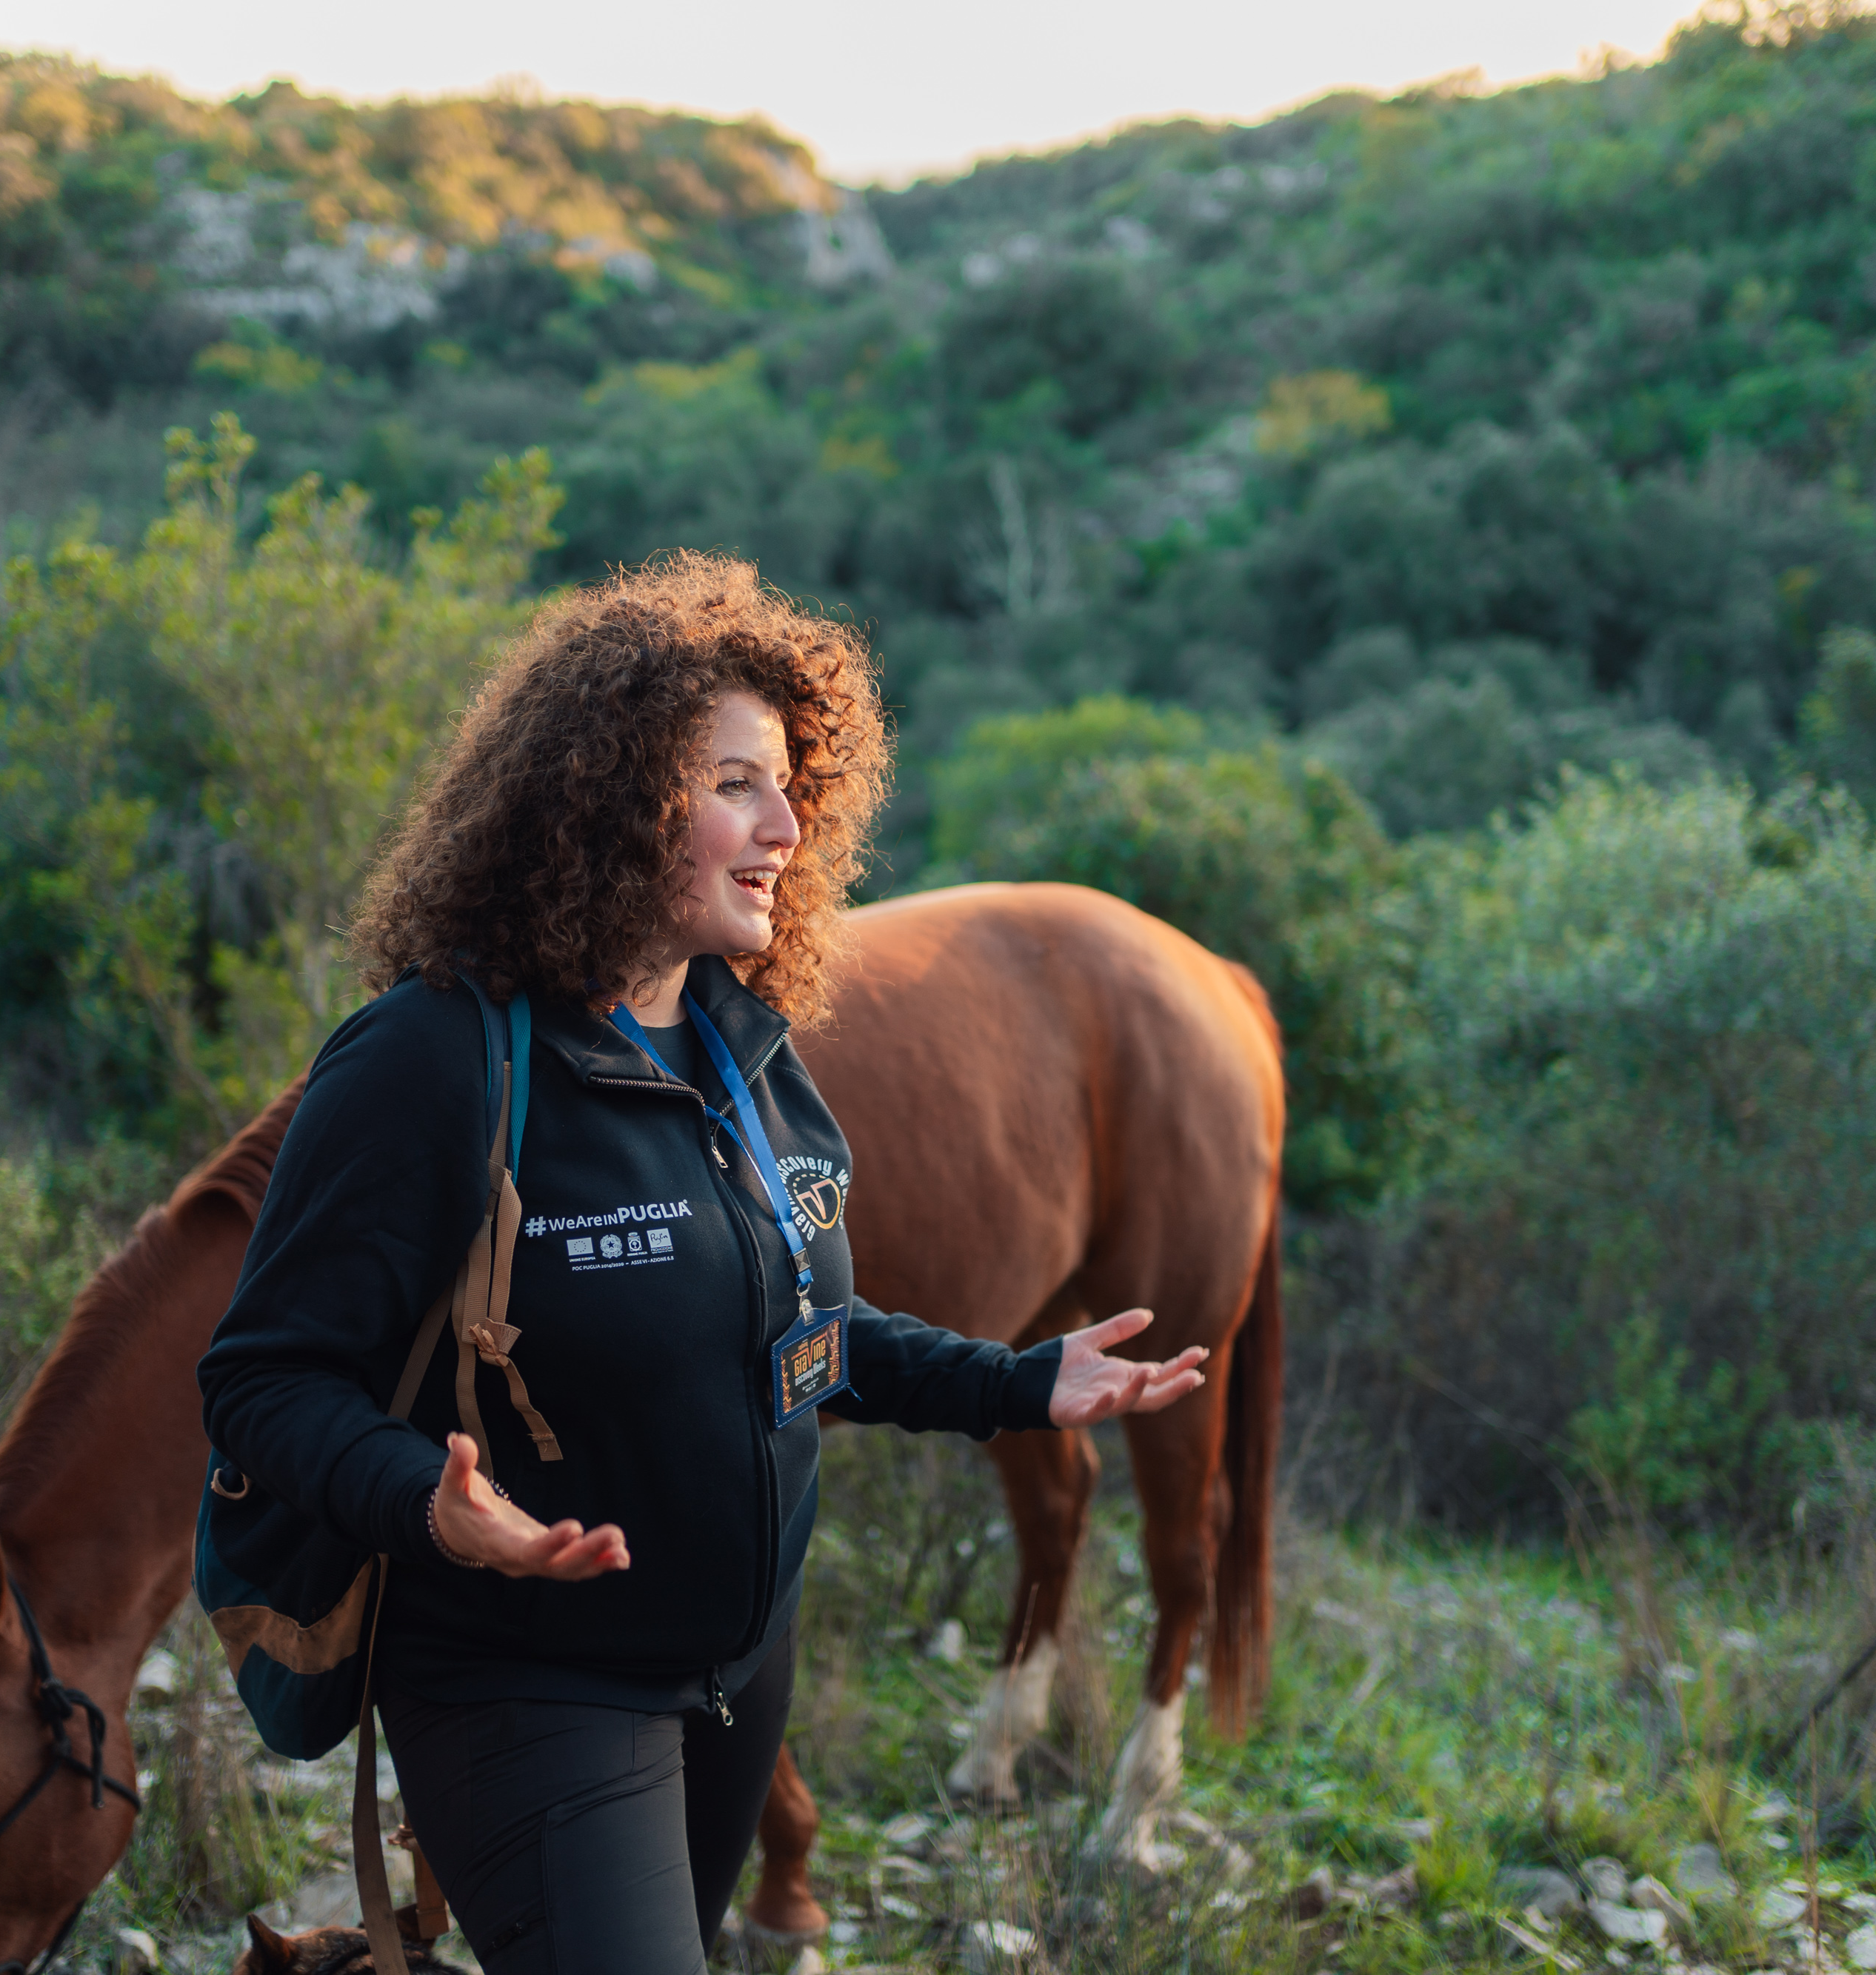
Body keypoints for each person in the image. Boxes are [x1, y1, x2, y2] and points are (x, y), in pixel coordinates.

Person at [196, 554, 1207, 1974]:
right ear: (608, 797)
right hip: (527, 1678)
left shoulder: (745, 1054)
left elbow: (807, 1341)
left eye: (795, 785)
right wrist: (426, 1500)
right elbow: (261, 1381)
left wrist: (1024, 1383)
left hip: (735, 1684)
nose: (788, 825)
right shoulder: (435, 1060)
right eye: (737, 782)